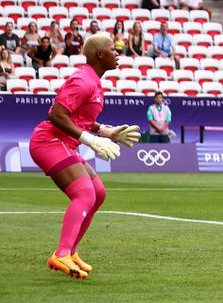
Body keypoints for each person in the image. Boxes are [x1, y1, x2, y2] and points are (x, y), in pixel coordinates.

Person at [27, 34, 140, 279]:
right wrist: (90, 139)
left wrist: (104, 131)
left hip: (65, 144)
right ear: (100, 54)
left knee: (98, 193)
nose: (118, 52)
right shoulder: (82, 80)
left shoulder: (93, 80)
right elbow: (57, 115)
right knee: (84, 193)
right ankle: (61, 254)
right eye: (113, 49)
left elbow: (80, 117)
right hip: (49, 142)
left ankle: (71, 252)